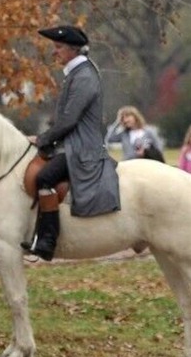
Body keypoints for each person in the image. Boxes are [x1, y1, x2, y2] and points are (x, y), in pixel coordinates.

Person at [22, 24, 121, 261]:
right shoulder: (76, 74)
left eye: (58, 48)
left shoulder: (84, 76)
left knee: (44, 177)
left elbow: (69, 120)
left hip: (83, 149)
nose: (54, 52)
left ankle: (48, 240)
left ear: (73, 50)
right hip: (71, 145)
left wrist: (44, 139)